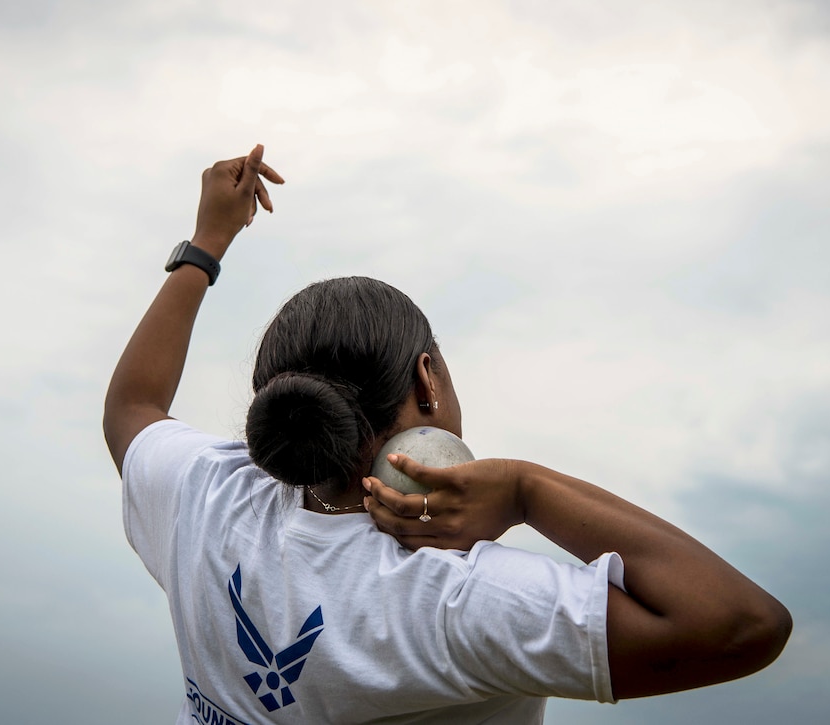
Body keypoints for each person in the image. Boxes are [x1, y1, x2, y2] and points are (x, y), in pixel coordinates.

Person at [103, 145, 792, 724]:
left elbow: (133, 406)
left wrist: (207, 241)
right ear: (427, 378)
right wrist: (526, 488)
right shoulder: (455, 595)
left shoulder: (208, 500)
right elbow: (743, 622)